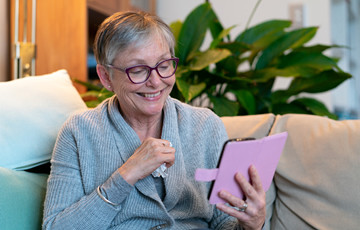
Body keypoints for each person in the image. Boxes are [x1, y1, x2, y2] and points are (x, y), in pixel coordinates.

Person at [43, 11, 266, 230]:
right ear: (105, 77)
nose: (156, 82)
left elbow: (223, 222)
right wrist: (127, 174)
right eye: (138, 70)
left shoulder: (206, 126)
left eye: (164, 65)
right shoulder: (79, 132)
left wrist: (250, 226)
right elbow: (55, 227)